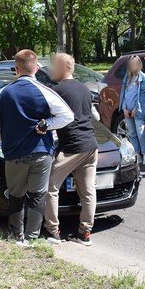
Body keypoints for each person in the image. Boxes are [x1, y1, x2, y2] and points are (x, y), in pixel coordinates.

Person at [0, 49, 74, 246]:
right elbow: (67, 116)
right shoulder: (45, 91)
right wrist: (46, 125)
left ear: (16, 69)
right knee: (38, 195)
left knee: (16, 195)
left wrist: (6, 139)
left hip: (14, 153)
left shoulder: (2, 93)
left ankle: (16, 235)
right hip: (41, 151)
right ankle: (32, 237)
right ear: (36, 67)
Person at [43, 53, 99, 246]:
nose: (51, 69)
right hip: (91, 145)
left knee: (50, 186)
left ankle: (53, 232)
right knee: (88, 191)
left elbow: (49, 119)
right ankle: (85, 234)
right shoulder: (84, 89)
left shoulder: (57, 91)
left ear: (62, 67)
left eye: (53, 65)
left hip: (73, 147)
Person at [119, 55, 145, 166]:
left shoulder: (144, 78)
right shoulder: (127, 78)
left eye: (134, 63)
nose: (132, 65)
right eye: (131, 63)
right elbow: (123, 94)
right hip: (127, 111)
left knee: (141, 134)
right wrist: (124, 108)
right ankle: (137, 155)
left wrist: (136, 109)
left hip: (138, 111)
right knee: (132, 135)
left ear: (139, 64)